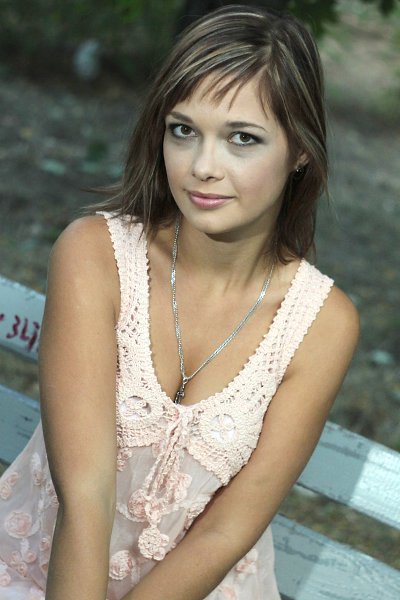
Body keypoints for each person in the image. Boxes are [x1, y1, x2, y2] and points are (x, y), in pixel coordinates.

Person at [0, 5, 359, 599]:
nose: (202, 167)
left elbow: (225, 533)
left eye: (242, 138)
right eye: (183, 130)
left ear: (300, 150)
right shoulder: (95, 257)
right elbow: (86, 497)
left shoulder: (321, 324)